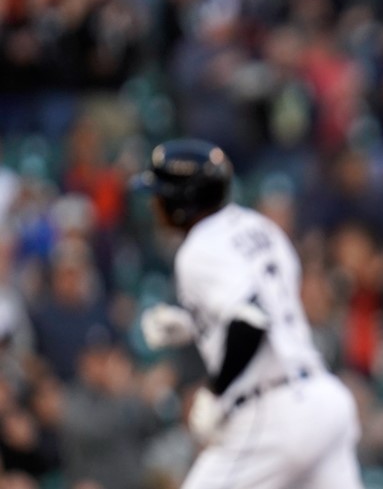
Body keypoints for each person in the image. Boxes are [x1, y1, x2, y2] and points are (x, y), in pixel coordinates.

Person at [132, 138, 364, 489]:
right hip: (324, 400)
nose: (153, 204)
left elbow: (252, 320)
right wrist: (194, 324)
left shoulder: (197, 249)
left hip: (274, 414)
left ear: (182, 202)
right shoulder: (261, 228)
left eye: (160, 194)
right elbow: (268, 309)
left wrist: (214, 392)